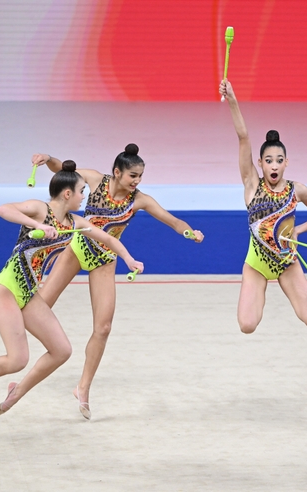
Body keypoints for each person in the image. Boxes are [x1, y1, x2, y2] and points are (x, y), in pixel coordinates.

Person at [0, 160, 144, 416]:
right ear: (67, 193)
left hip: (29, 295)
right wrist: (39, 225)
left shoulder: (75, 223)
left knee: (62, 351)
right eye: (82, 191)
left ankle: (16, 392)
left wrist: (129, 259)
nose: (84, 197)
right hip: (7, 289)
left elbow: (107, 238)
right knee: (17, 359)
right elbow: (3, 209)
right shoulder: (39, 209)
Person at [31, 144, 203, 420]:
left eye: (140, 176)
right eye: (133, 175)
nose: (137, 181)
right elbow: (63, 170)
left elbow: (172, 221)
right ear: (117, 172)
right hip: (77, 249)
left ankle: (83, 388)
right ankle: (22, 365)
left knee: (103, 327)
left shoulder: (139, 200)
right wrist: (48, 158)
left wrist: (190, 232)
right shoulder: (95, 180)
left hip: (105, 260)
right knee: (38, 308)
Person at [220, 79, 307, 333]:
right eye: (268, 160)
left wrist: (299, 230)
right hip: (257, 265)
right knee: (247, 325)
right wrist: (233, 99)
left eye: (279, 160)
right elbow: (243, 137)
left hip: (287, 262)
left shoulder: (297, 190)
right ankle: (258, 292)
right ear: (260, 163)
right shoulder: (252, 184)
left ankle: (284, 285)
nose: (274, 165)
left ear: (286, 163)